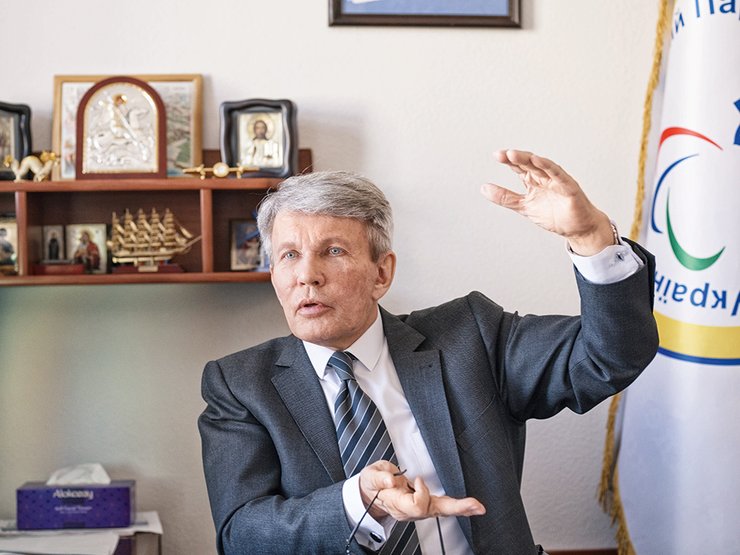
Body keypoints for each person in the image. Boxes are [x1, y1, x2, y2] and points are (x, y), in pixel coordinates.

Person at [198, 150, 659, 555]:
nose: (307, 276)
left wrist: (591, 237)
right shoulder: (240, 385)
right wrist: (359, 501)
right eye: (289, 255)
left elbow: (609, 357)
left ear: (382, 273)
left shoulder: (471, 336)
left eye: (333, 251)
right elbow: (242, 536)